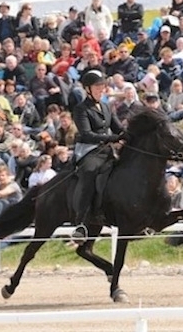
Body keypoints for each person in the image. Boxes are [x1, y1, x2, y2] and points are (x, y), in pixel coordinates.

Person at [71, 70, 125, 242]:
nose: (101, 89)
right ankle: (81, 222)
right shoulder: (81, 109)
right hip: (88, 150)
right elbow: (87, 134)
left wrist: (130, 135)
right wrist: (113, 138)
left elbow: (118, 128)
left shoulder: (107, 106)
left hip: (107, 149)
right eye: (97, 86)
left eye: (102, 86)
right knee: (90, 172)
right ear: (87, 89)